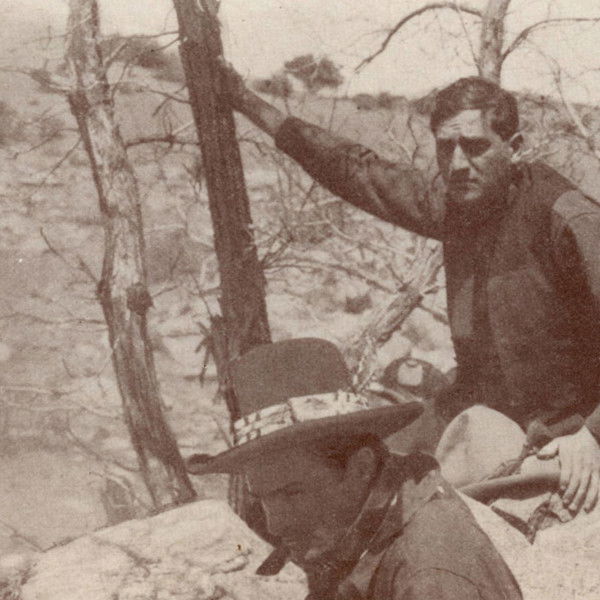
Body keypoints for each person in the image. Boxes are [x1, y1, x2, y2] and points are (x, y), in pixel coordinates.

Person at [219, 67, 600, 515]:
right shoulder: (458, 203)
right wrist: (245, 100)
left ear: (514, 148)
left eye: (476, 146)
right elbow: (356, 170)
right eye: (446, 147)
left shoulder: (568, 219)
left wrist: (590, 435)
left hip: (566, 430)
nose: (458, 164)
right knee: (350, 469)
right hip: (480, 411)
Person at [187, 337, 522, 600]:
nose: (275, 524)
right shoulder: (357, 535)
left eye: (293, 493)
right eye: (263, 498)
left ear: (362, 467)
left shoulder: (429, 575)